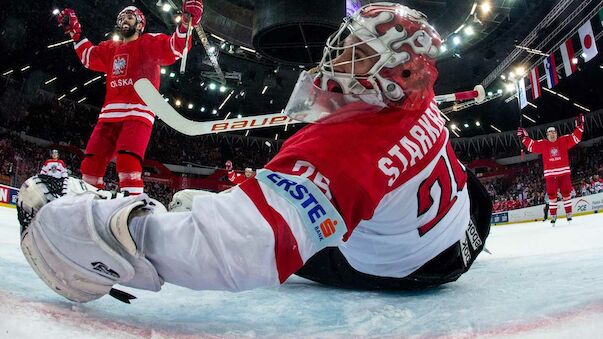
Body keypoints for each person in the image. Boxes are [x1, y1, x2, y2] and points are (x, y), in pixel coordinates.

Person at [17, 2, 492, 303]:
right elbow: (379, 132)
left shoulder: (338, 150)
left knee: (267, 229)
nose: (339, 51)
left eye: (358, 51)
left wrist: (90, 228)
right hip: (470, 220)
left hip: (411, 273)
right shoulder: (414, 94)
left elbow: (224, 252)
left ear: (394, 74)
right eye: (346, 40)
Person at [56, 2, 203, 195]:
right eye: (122, 17)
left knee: (127, 162)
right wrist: (76, 34)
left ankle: (133, 210)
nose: (125, 20)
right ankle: (89, 208)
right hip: (109, 114)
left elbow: (174, 48)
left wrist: (186, 24)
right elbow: (88, 57)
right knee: (90, 163)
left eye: (130, 17)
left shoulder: (148, 42)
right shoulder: (110, 48)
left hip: (138, 112)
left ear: (140, 24)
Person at [518, 115, 584, 224]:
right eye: (549, 133)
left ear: (556, 134)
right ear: (547, 135)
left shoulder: (563, 140)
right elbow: (532, 146)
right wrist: (524, 137)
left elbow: (576, 138)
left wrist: (580, 127)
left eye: (554, 132)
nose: (552, 134)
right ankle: (553, 216)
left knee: (566, 194)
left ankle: (569, 215)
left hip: (564, 173)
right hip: (550, 175)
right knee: (552, 196)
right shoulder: (543, 143)